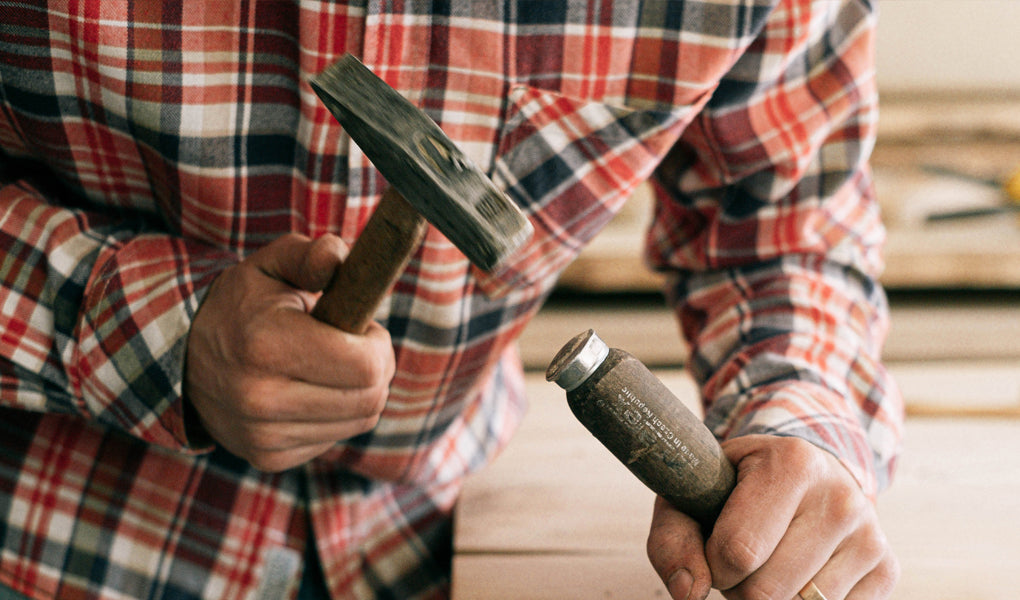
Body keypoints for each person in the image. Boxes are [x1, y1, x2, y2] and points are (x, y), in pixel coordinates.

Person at [0, 1, 902, 599]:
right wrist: (149, 331)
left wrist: (802, 427)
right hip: (59, 533)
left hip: (449, 541)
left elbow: (786, 230)